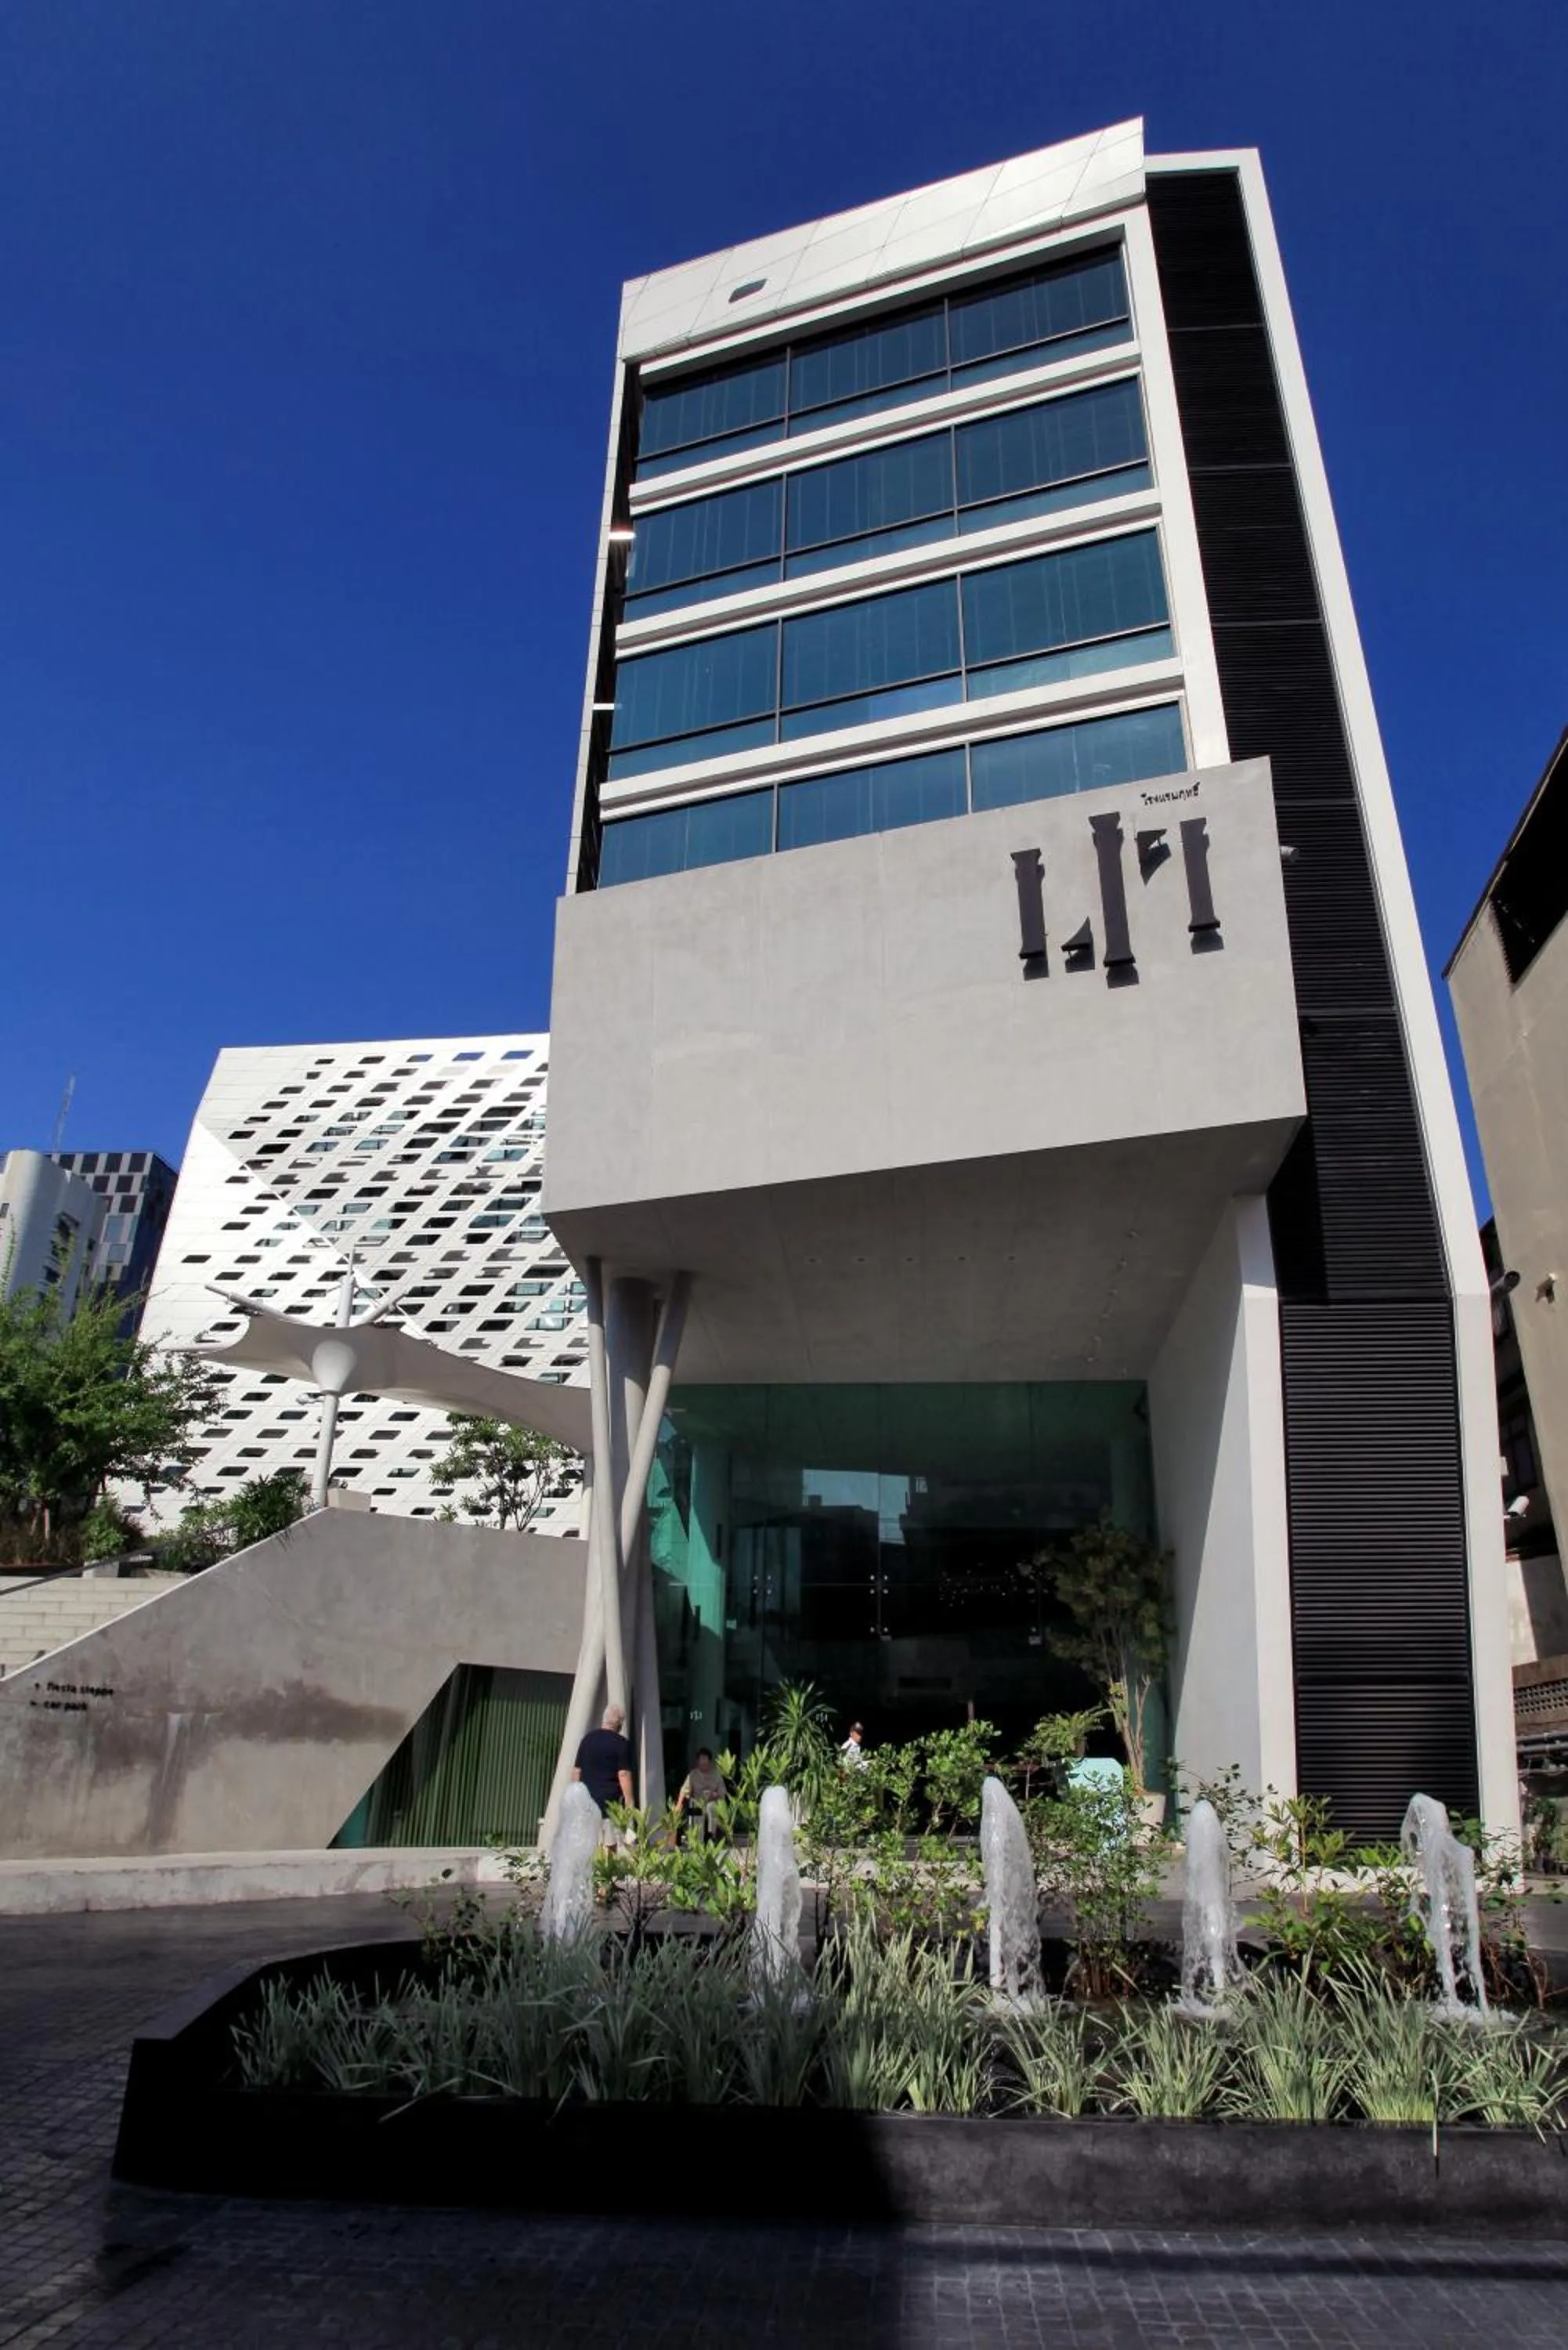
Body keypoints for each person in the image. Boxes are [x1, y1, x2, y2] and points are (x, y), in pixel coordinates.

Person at [573, 1703, 634, 1843]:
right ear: (620, 1725)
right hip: (610, 1804)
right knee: (610, 1843)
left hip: (587, 1801)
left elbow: (577, 1771)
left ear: (604, 1719)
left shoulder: (587, 1740)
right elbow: (623, 1774)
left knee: (589, 1842)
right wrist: (629, 1801)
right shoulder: (622, 1744)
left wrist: (576, 1795)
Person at [674, 1747, 727, 1842]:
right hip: (697, 1802)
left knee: (712, 1807)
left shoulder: (717, 1775)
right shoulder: (693, 1775)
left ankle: (713, 1836)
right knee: (692, 1807)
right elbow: (684, 1791)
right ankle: (695, 1837)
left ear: (709, 1762)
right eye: (701, 1763)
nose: (703, 1765)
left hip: (712, 1802)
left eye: (705, 1763)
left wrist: (714, 1795)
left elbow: (722, 1794)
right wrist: (679, 1804)